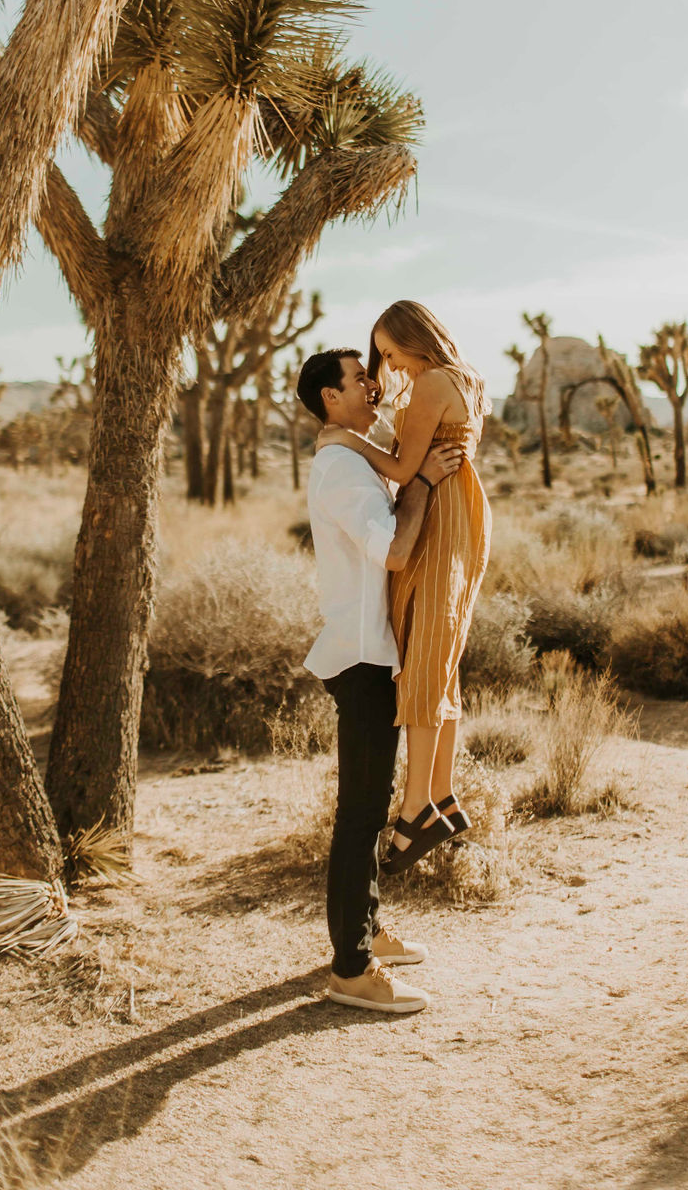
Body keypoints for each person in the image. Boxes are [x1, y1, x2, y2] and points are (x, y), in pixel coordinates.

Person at [298, 347, 463, 1016]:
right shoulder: (340, 470)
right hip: (360, 657)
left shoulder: (351, 455)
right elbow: (394, 550)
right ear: (330, 399)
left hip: (371, 652)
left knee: (366, 811)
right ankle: (351, 969)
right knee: (361, 815)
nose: (371, 384)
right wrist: (420, 483)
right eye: (357, 378)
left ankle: (362, 932)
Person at [316, 300, 492, 876]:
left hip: (436, 519)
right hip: (463, 514)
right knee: (443, 658)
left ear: (413, 338)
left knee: (421, 658)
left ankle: (416, 806)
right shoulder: (468, 378)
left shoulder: (431, 383)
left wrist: (339, 440)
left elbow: (399, 472)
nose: (387, 367)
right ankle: (440, 793)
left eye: (389, 353)